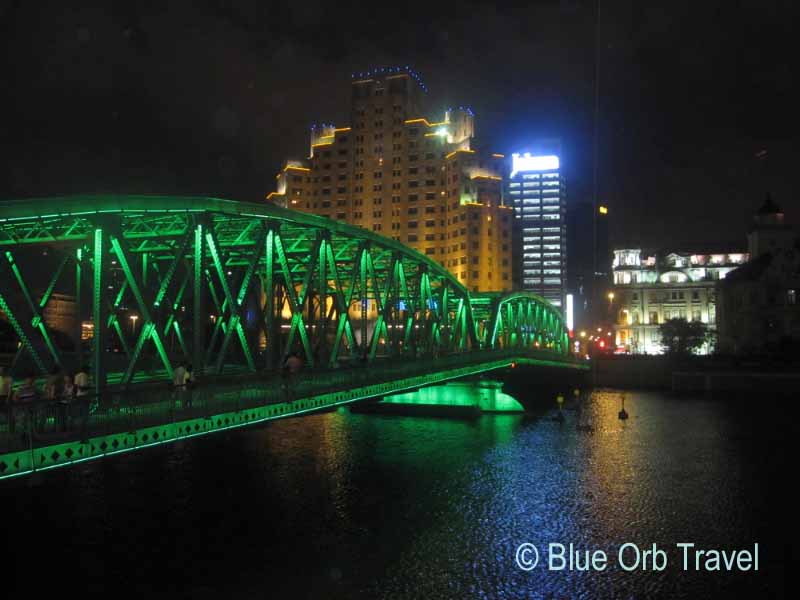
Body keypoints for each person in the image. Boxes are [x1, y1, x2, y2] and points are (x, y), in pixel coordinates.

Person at [74, 365, 90, 442]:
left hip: (78, 397)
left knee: (79, 416)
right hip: (84, 397)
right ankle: (83, 436)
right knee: (85, 417)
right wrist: (89, 387)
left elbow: (76, 386)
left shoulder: (77, 375)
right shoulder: (84, 376)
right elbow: (83, 387)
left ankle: (79, 434)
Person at [1, 367, 14, 432]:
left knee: (9, 414)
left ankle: (11, 430)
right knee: (7, 414)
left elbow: (10, 389)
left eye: (1, 369)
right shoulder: (1, 378)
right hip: (2, 397)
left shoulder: (9, 379)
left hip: (6, 397)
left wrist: (8, 398)